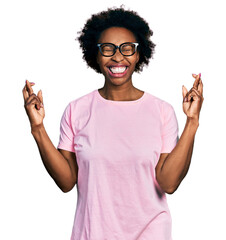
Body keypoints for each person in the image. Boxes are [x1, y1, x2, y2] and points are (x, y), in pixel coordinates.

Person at [22, 7, 204, 240]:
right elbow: (67, 181)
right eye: (108, 49)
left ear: (138, 54)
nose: (118, 57)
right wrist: (37, 129)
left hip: (151, 232)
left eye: (127, 48)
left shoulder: (162, 111)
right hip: (93, 233)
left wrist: (192, 121)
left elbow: (168, 183)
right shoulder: (76, 111)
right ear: (96, 55)